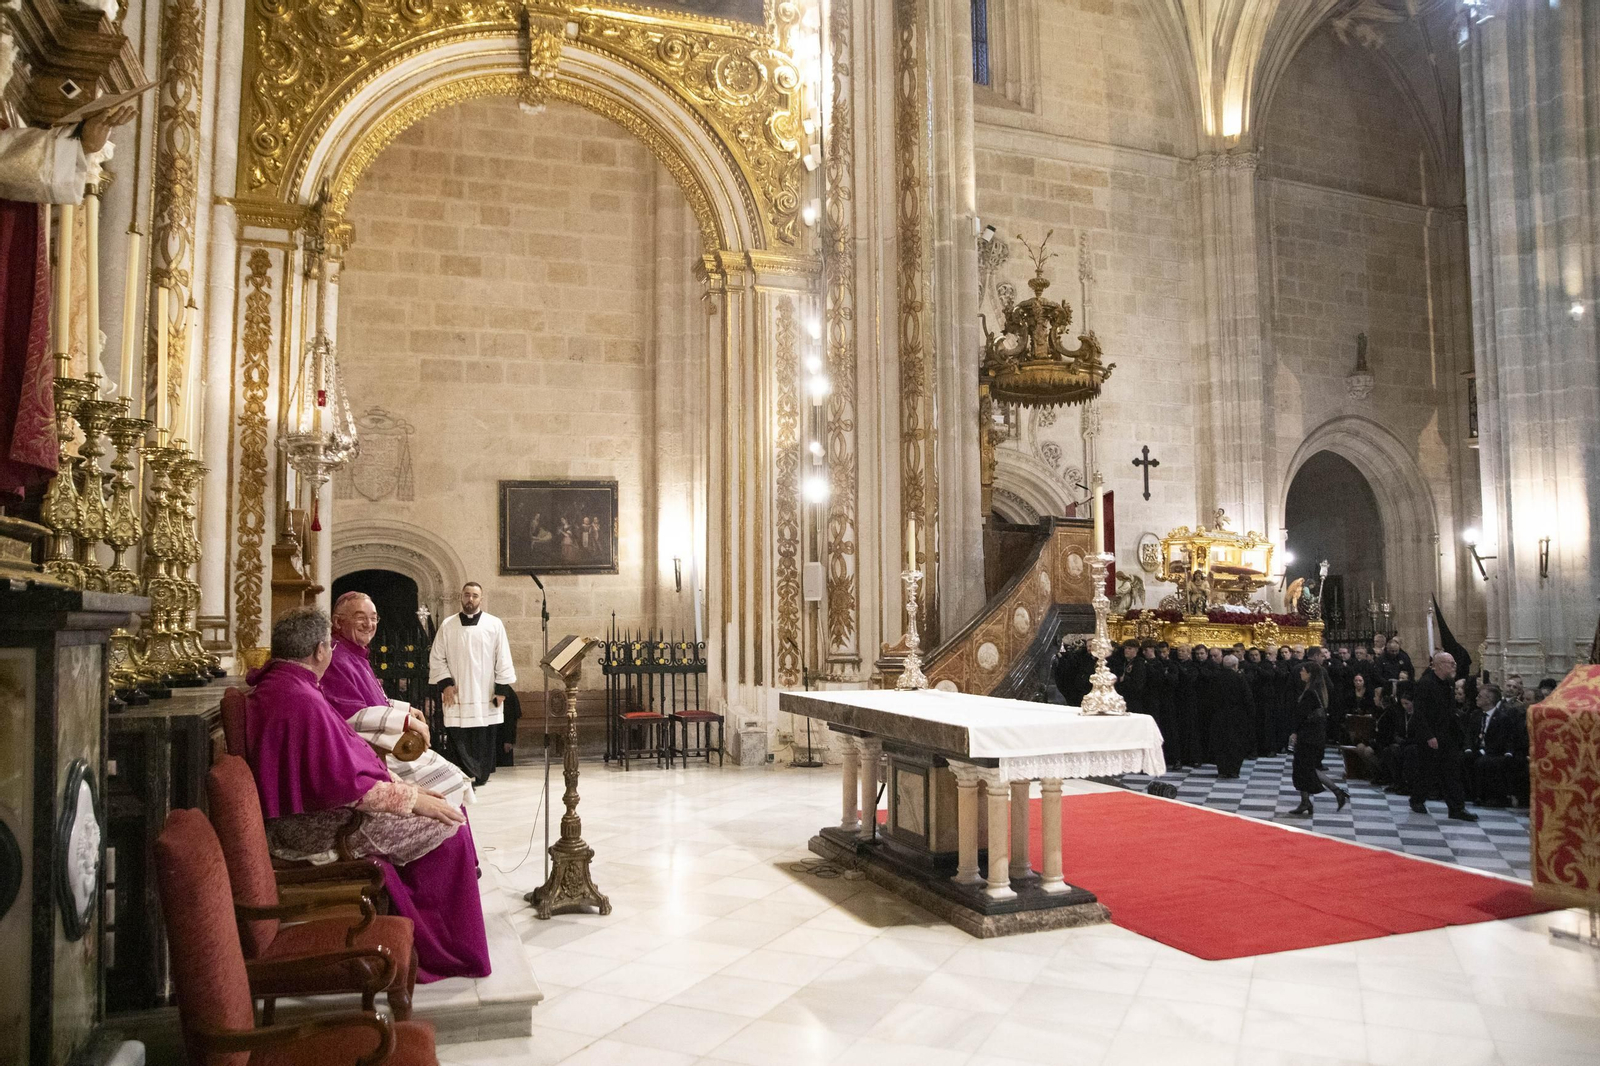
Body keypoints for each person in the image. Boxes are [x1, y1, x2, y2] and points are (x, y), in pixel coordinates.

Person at [245, 607, 490, 982]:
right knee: (450, 829)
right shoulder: (300, 697)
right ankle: (442, 950)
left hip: (315, 814)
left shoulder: (287, 684)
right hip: (315, 827)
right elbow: (339, 784)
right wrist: (411, 800)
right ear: (320, 651)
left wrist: (408, 790)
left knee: (444, 807)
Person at [325, 591, 475, 809]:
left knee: (453, 776)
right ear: (338, 622)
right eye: (360, 617)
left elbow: (373, 699)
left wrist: (405, 709)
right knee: (448, 781)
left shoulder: (355, 653)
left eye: (373, 618)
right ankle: (442, 828)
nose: (369, 624)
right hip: (364, 754)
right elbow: (350, 715)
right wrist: (406, 721)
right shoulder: (335, 657)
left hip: (378, 744)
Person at [429, 582, 517, 788]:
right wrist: (446, 684)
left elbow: (503, 657)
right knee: (458, 735)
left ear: (481, 599)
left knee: (483, 735)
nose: (470, 599)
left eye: (475, 596)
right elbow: (437, 657)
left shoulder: (494, 624)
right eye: (467, 595)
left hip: (485, 693)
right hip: (457, 692)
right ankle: (462, 773)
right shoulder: (448, 625)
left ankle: (481, 774)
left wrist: (501, 690)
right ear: (461, 597)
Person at [1410, 651, 1477, 821]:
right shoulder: (1425, 683)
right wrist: (1429, 736)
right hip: (1430, 736)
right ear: (1439, 665)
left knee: (1451, 772)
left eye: (1454, 663)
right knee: (1426, 771)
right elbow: (1419, 714)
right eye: (1450, 663)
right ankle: (1416, 799)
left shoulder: (1449, 683)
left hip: (1447, 735)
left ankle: (1456, 808)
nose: (1454, 666)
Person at [1284, 662, 1349, 816]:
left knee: (1306, 767)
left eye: (1303, 671)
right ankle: (1305, 801)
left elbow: (1301, 714)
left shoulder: (1310, 693)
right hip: (1314, 734)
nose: (1300, 673)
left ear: (1310, 674)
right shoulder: (1318, 690)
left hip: (1308, 735)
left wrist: (1294, 732)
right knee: (1302, 767)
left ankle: (1337, 791)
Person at [1471, 684, 1529, 808]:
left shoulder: (1502, 718)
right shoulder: (1476, 715)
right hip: (1479, 748)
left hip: (1494, 751)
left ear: (1489, 700)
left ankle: (1490, 796)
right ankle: (1472, 794)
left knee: (1485, 762)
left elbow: (1501, 740)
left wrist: (1484, 751)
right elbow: (1470, 735)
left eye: (1480, 696)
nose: (1476, 698)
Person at [1209, 654, 1254, 778]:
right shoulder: (1239, 678)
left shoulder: (1215, 678)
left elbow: (1210, 697)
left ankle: (1222, 770)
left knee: (1221, 742)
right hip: (1237, 715)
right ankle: (1234, 770)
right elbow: (1247, 697)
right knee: (1236, 742)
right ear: (1235, 666)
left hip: (1219, 714)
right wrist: (1250, 714)